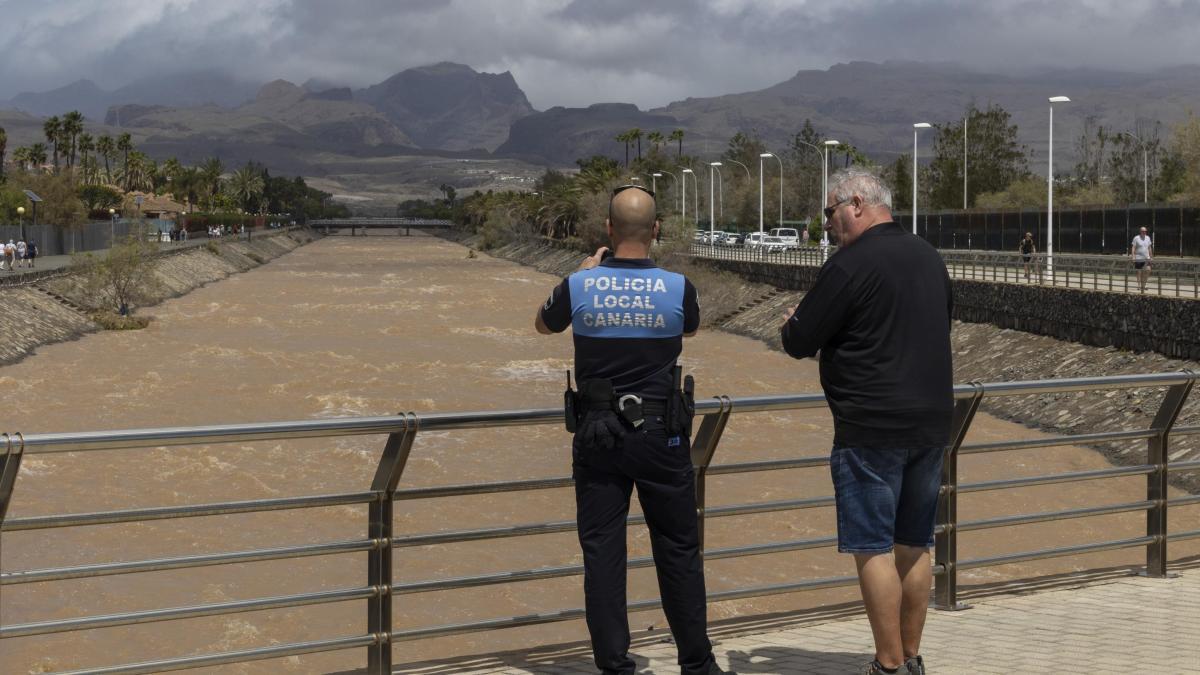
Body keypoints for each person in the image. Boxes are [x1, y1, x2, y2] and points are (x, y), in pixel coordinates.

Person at [535, 184, 731, 675]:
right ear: (657, 230)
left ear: (608, 229)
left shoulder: (580, 285)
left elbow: (543, 323)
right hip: (663, 435)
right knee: (679, 548)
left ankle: (615, 666)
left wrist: (582, 275)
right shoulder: (677, 287)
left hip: (598, 434)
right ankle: (697, 663)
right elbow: (688, 328)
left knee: (603, 553)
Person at [780, 169, 953, 675]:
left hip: (871, 424)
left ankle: (888, 664)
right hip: (931, 421)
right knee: (915, 541)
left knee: (872, 547)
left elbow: (799, 340)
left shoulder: (849, 264)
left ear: (855, 203)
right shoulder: (929, 256)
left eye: (830, 214)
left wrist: (791, 319)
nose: (829, 224)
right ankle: (912, 658)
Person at [1132, 226, 1153, 293]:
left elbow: (1149, 248)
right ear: (1140, 231)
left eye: (1145, 231)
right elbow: (1133, 248)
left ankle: (1144, 284)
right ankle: (1139, 285)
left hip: (1146, 258)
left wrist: (1151, 256)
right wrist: (1133, 256)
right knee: (1139, 272)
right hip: (1138, 258)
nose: (1144, 232)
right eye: (1143, 231)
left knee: (1148, 270)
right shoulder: (1136, 238)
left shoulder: (1148, 238)